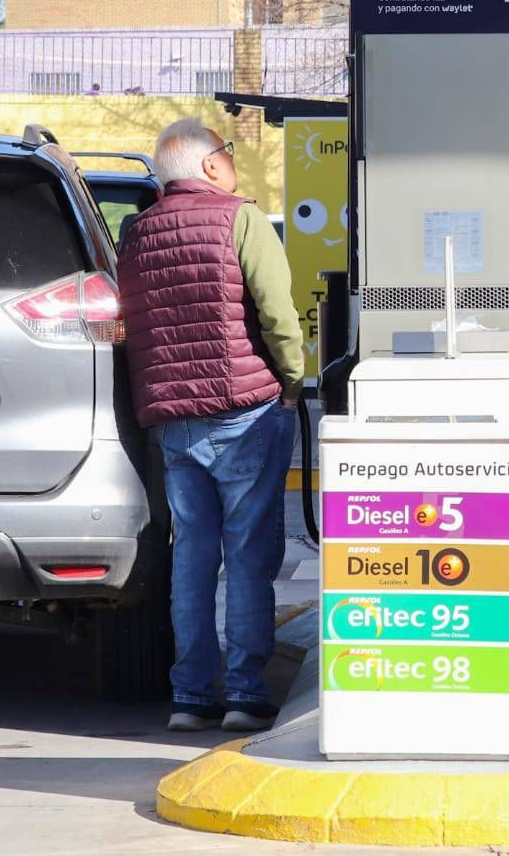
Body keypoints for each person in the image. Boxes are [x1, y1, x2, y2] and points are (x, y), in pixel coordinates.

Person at [117, 118, 304, 734]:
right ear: (209, 164)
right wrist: (292, 381)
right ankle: (245, 693)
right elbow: (277, 314)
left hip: (174, 421)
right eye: (226, 151)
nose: (231, 161)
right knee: (247, 554)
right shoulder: (239, 218)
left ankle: (191, 697)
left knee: (192, 556)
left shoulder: (137, 233)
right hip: (245, 410)